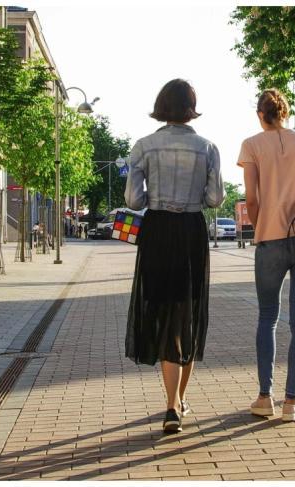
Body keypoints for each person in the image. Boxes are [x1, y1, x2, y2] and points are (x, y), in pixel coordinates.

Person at [124, 79, 224, 434]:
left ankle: (172, 405)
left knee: (163, 308)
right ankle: (176, 402)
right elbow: (215, 199)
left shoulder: (143, 147)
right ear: (190, 108)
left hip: (158, 232)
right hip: (190, 232)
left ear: (161, 106)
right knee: (188, 312)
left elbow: (134, 202)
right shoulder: (207, 147)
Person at [237, 89, 295, 422]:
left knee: (266, 318)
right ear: (285, 113)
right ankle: (292, 403)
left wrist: (263, 230)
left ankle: (265, 398)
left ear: (260, 114)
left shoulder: (251, 145)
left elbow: (252, 199)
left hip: (270, 241)